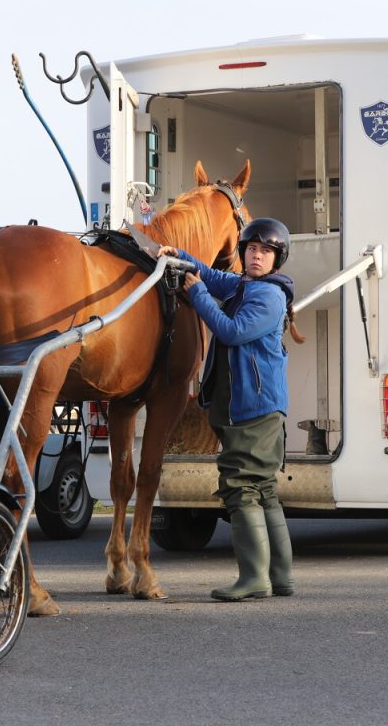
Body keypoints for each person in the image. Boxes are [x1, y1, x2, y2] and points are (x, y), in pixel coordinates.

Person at [159, 217, 295, 601]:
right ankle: (280, 578)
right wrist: (180, 257)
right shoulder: (245, 284)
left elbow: (231, 329)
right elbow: (208, 274)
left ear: (277, 258)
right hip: (257, 405)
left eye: (265, 251)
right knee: (264, 488)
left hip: (253, 409)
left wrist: (198, 294)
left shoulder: (268, 296)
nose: (256, 255)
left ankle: (254, 578)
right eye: (251, 249)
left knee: (241, 488)